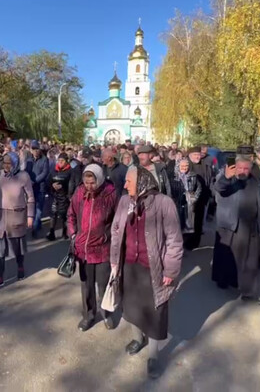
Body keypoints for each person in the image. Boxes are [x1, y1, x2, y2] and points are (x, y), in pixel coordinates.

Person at [109, 166, 184, 379]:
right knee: (131, 307)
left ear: (142, 182)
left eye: (128, 182)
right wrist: (115, 261)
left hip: (154, 269)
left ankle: (153, 356)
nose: (124, 185)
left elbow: (174, 241)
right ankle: (137, 339)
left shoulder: (163, 203)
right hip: (129, 265)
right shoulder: (125, 202)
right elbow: (116, 231)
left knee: (155, 313)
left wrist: (171, 270)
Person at [67, 164, 117, 331]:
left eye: (92, 182)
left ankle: (106, 314)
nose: (89, 186)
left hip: (103, 248)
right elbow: (71, 214)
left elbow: (117, 220)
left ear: (100, 179)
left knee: (104, 285)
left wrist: (109, 236)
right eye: (86, 182)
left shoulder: (110, 193)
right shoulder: (79, 192)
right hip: (84, 249)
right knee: (86, 285)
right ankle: (88, 315)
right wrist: (73, 234)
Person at [211, 156, 260, 303]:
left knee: (250, 261)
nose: (243, 171)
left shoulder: (255, 181)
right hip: (230, 225)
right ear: (234, 167)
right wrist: (226, 177)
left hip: (250, 226)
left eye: (246, 168)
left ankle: (248, 293)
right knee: (226, 257)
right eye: (240, 168)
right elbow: (219, 188)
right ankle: (224, 280)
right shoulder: (227, 179)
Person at [0, 152, 35, 291]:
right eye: (5, 163)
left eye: (9, 163)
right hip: (0, 216)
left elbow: (30, 198)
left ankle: (20, 267)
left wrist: (30, 216)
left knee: (17, 247)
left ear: (15, 164)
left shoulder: (23, 176)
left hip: (16, 216)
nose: (6, 166)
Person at [171, 158, 202, 239]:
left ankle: (186, 242)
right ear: (178, 166)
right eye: (182, 166)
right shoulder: (173, 177)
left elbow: (199, 187)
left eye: (186, 166)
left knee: (188, 223)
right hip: (177, 202)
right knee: (177, 224)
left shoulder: (193, 175)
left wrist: (194, 197)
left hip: (189, 202)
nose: (184, 168)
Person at [46, 152, 72, 241]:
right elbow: (48, 181)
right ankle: (51, 232)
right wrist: (52, 185)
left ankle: (65, 232)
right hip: (55, 196)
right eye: (59, 160)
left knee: (64, 215)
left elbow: (72, 184)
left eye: (62, 160)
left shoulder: (70, 171)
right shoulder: (54, 170)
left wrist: (64, 187)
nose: (60, 162)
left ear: (66, 162)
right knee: (53, 214)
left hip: (64, 197)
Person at [30, 141, 49, 238]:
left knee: (38, 209)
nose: (35, 151)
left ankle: (34, 227)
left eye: (36, 149)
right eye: (33, 149)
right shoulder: (29, 159)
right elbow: (25, 170)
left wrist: (35, 181)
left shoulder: (45, 160)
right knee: (32, 208)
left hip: (40, 187)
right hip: (30, 188)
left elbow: (45, 173)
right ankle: (38, 224)